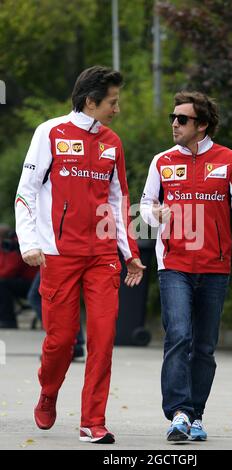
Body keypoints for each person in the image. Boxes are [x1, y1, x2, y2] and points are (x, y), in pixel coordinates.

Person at [15, 65, 145, 444]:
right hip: (57, 255)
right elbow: (26, 191)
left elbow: (120, 199)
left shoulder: (112, 142)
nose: (116, 109)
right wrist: (29, 244)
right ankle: (48, 392)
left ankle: (93, 420)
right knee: (61, 341)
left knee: (103, 339)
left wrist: (130, 251)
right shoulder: (49, 133)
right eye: (112, 102)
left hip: (102, 256)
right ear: (90, 102)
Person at [140, 91, 232, 442]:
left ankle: (196, 416)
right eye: (172, 118)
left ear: (202, 125)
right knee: (179, 335)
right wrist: (154, 214)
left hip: (215, 265)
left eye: (182, 119)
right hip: (174, 262)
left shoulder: (229, 160)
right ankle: (178, 412)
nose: (174, 125)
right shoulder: (162, 161)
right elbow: (146, 204)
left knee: (205, 346)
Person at [27, 271, 85, 359]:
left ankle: (68, 344)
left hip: (57, 260)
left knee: (37, 296)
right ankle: (71, 343)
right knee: (65, 297)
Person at [0, 224, 37, 328]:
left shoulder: (16, 244)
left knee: (2, 284)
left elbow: (10, 271)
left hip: (31, 282)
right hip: (25, 281)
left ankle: (7, 320)